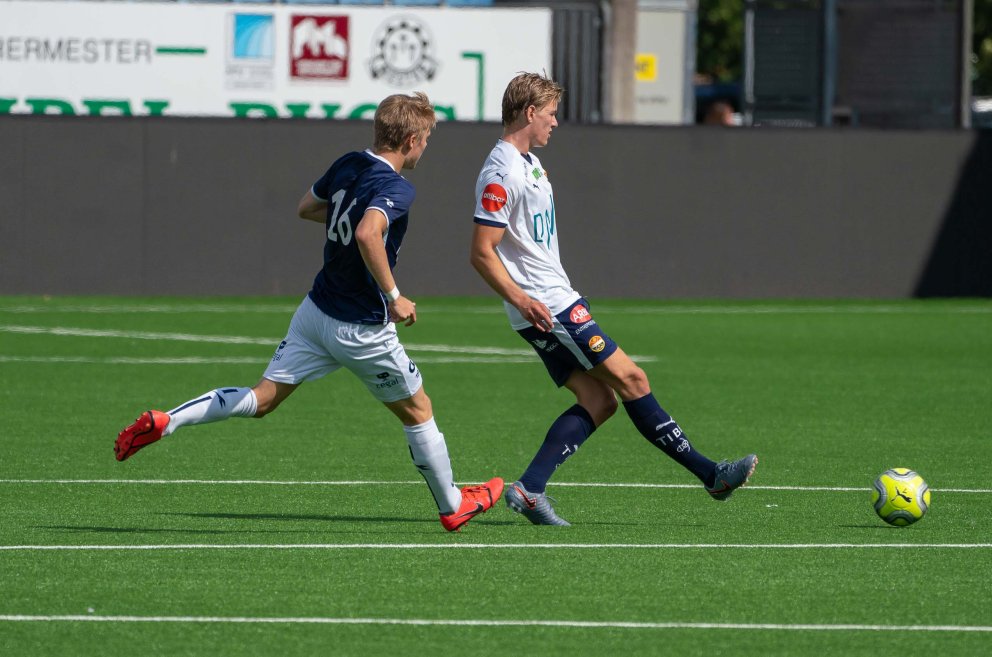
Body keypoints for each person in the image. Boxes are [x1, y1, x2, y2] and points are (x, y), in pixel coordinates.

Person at [116, 92, 503, 532]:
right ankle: (453, 505)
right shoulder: (398, 187)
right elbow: (367, 233)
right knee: (418, 410)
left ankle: (169, 420)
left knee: (261, 399)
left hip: (315, 313)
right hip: (361, 328)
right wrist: (395, 295)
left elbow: (307, 208)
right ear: (412, 140)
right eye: (427, 138)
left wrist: (347, 221)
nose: (426, 146)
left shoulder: (348, 163)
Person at [469, 72, 757, 526]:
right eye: (550, 114)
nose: (555, 122)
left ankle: (529, 489)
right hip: (547, 306)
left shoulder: (529, 163)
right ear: (530, 112)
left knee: (599, 400)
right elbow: (482, 252)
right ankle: (712, 476)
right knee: (633, 379)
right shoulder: (501, 171)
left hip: (551, 302)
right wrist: (523, 300)